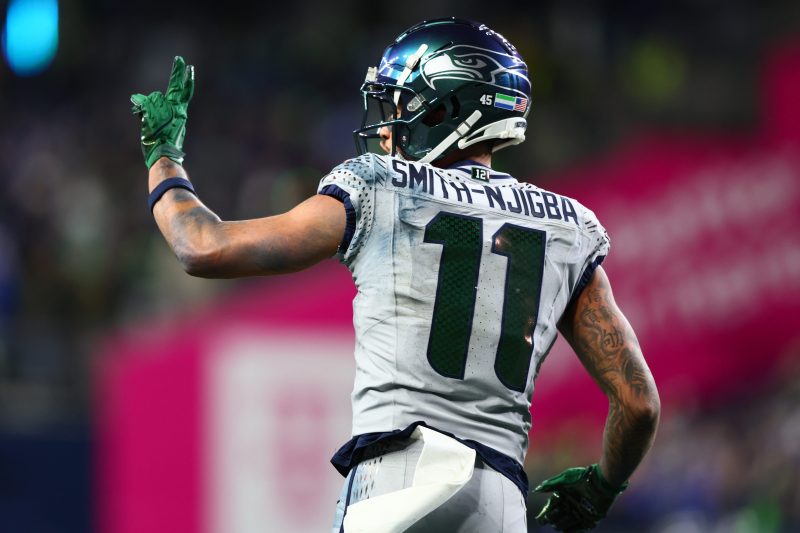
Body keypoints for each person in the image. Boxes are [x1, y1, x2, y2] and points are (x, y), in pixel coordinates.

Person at [131, 17, 660, 532]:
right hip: (500, 500)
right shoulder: (567, 226)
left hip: (397, 478)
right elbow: (639, 403)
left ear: (446, 107)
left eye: (402, 105)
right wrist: (601, 488)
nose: (388, 125)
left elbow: (202, 247)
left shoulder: (381, 186)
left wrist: (163, 156)